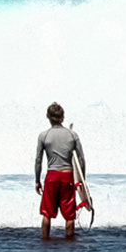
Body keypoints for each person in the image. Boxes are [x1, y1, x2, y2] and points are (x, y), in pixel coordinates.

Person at [35, 102, 85, 239]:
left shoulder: (43, 136)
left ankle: (45, 240)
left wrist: (37, 181)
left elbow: (38, 160)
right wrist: (82, 181)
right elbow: (81, 159)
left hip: (52, 176)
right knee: (70, 214)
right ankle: (69, 241)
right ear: (63, 117)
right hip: (67, 175)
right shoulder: (72, 135)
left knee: (47, 213)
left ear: (48, 117)